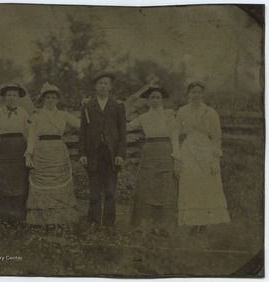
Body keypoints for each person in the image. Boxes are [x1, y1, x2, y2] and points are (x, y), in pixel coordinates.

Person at [175, 80, 231, 235]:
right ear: (188, 94)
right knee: (190, 185)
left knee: (205, 186)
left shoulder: (210, 112)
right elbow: (175, 131)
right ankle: (193, 223)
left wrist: (215, 158)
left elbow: (217, 136)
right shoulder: (182, 111)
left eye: (199, 92)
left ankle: (205, 224)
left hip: (206, 150)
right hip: (188, 150)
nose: (196, 95)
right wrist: (177, 155)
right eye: (193, 92)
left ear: (203, 94)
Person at [127, 83, 179, 235]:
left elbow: (175, 137)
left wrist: (176, 158)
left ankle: (165, 226)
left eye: (158, 97)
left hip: (165, 151)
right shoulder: (143, 117)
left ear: (162, 99)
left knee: (165, 186)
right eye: (152, 98)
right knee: (147, 186)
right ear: (148, 100)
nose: (155, 100)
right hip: (149, 151)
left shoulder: (169, 114)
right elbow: (126, 126)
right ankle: (144, 225)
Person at [25, 83, 80, 226]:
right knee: (42, 182)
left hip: (58, 153)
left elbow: (82, 125)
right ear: (43, 99)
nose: (50, 100)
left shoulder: (64, 115)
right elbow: (31, 135)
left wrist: (86, 107)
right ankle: (41, 221)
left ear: (57, 99)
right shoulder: (36, 116)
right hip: (41, 152)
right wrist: (29, 154)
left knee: (58, 184)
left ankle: (61, 220)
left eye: (53, 97)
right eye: (47, 97)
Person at [78, 70, 126, 227]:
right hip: (94, 153)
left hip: (111, 154)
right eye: (100, 83)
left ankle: (108, 224)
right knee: (94, 191)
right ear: (95, 87)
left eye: (106, 83)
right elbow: (83, 133)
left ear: (110, 86)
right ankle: (93, 222)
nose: (103, 86)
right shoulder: (87, 106)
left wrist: (121, 154)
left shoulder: (118, 106)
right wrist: (82, 153)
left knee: (111, 191)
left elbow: (122, 133)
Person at [0, 82, 30, 224]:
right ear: (4, 97)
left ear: (18, 97)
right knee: (3, 184)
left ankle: (18, 218)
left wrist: (29, 152)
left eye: (14, 95)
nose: (11, 98)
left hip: (20, 151)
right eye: (9, 95)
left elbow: (29, 134)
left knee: (19, 182)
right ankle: (2, 218)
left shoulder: (24, 113)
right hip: (4, 151)